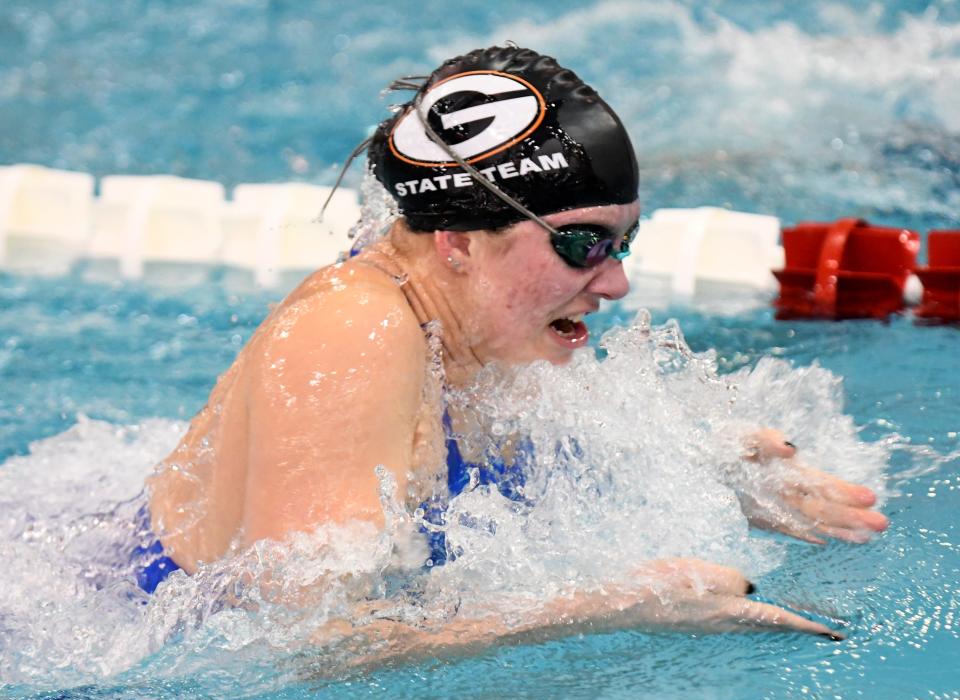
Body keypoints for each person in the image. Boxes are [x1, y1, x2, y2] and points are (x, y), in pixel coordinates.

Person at [143, 45, 887, 650]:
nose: (618, 281)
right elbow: (302, 643)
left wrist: (706, 468)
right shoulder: (349, 332)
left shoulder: (477, 322)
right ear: (458, 241)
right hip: (122, 667)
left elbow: (520, 465)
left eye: (625, 240)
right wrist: (616, 603)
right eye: (582, 243)